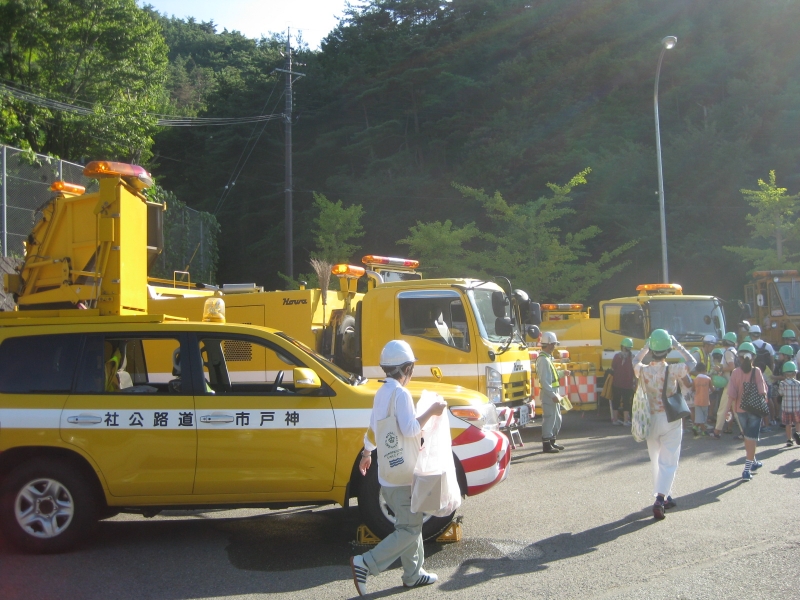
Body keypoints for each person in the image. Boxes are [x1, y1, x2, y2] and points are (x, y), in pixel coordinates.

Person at [350, 340, 447, 596]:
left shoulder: (381, 392)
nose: (411, 373)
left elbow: (373, 428)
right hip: (404, 476)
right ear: (405, 369)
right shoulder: (401, 394)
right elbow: (411, 429)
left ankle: (414, 574)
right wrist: (433, 411)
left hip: (388, 475)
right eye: (411, 368)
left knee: (407, 524)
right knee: (410, 528)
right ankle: (366, 563)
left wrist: (367, 453)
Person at [633, 329, 696, 520]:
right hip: (671, 418)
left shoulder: (643, 370)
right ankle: (661, 499)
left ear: (652, 350)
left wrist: (645, 346)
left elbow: (635, 361)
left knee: (656, 459)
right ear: (668, 351)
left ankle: (664, 495)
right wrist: (678, 345)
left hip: (650, 419)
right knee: (669, 460)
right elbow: (693, 362)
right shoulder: (674, 369)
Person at [726, 341, 767, 480]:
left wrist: (727, 411)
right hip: (755, 410)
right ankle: (746, 470)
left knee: (747, 438)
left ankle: (754, 462)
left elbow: (731, 395)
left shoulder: (735, 373)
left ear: (740, 357)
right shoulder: (757, 371)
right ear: (753, 357)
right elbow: (763, 391)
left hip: (740, 410)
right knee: (751, 439)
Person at [537, 331, 568, 453]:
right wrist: (552, 394)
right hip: (549, 393)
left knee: (556, 417)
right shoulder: (543, 360)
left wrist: (562, 373)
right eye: (554, 344)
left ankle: (552, 441)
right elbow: (545, 381)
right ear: (549, 344)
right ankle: (547, 443)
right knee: (549, 418)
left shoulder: (547, 358)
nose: (555, 346)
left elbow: (551, 376)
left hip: (552, 392)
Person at [709, 332, 739, 439]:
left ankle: (717, 431)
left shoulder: (727, 352)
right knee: (736, 409)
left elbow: (732, 367)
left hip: (730, 383)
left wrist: (720, 369)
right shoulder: (735, 351)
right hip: (735, 382)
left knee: (722, 409)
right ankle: (745, 432)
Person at [610, 338, 636, 426]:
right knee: (626, 402)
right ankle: (626, 421)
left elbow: (613, 367)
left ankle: (615, 420)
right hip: (628, 384)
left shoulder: (617, 356)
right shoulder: (633, 358)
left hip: (616, 383)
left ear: (622, 347)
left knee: (616, 401)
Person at [778, 361, 800, 447]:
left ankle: (789, 439)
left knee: (788, 424)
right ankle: (798, 435)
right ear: (795, 373)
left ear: (784, 374)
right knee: (798, 422)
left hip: (786, 408)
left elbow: (781, 394)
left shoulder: (782, 384)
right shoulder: (798, 384)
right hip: (797, 407)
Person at [691, 362, 712, 436]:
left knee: (699, 416)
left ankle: (696, 427)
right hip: (705, 400)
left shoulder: (695, 379)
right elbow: (712, 389)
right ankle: (704, 430)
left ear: (697, 370)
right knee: (704, 416)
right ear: (705, 370)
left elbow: (693, 389)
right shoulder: (708, 379)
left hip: (697, 400)